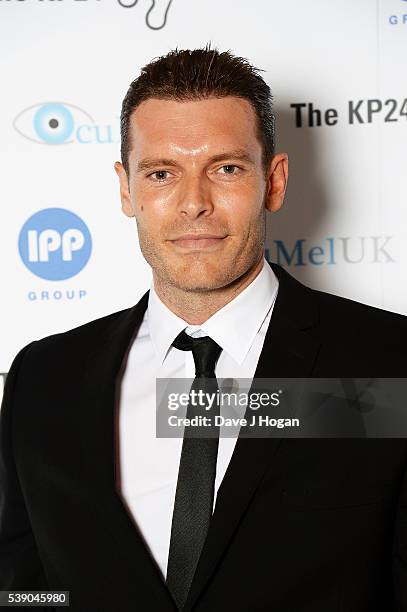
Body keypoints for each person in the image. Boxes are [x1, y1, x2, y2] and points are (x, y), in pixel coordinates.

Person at [1, 45, 407, 612]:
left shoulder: (390, 365)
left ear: (275, 181)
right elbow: (24, 590)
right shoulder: (44, 379)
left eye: (226, 168)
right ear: (126, 189)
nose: (194, 203)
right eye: (163, 173)